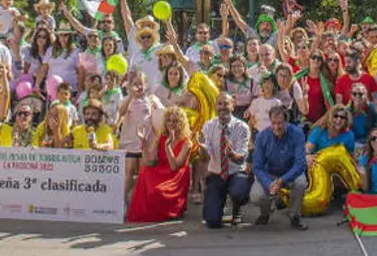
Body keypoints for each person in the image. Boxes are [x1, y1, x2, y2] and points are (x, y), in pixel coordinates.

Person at [126, 105, 193, 223]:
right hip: (161, 170)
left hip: (176, 176)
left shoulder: (187, 143)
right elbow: (150, 161)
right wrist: (144, 142)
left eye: (175, 121)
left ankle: (170, 211)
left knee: (157, 191)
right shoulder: (161, 136)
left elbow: (174, 166)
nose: (171, 124)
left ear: (181, 123)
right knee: (144, 171)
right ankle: (145, 212)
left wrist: (168, 146)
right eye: (169, 120)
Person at [251, 105, 308, 230]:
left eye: (280, 123)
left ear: (286, 122)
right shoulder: (262, 136)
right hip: (270, 173)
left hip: (291, 172)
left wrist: (282, 180)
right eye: (273, 123)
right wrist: (269, 183)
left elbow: (300, 164)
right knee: (255, 196)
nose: (276, 127)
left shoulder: (297, 134)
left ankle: (295, 216)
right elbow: (257, 167)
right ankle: (265, 212)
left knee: (300, 183)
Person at [200, 93, 252, 228]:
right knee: (212, 221)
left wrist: (231, 155)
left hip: (236, 173)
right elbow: (205, 157)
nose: (222, 107)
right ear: (216, 106)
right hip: (216, 174)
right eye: (220, 104)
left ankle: (236, 208)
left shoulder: (242, 127)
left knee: (239, 191)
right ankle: (217, 205)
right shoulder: (208, 126)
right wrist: (201, 148)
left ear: (233, 106)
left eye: (226, 104)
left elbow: (241, 160)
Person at [118, 71, 164, 202]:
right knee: (129, 172)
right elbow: (121, 112)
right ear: (130, 86)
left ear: (146, 84)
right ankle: (121, 202)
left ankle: (140, 202)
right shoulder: (126, 100)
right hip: (129, 143)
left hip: (147, 144)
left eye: (141, 84)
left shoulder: (152, 99)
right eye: (135, 84)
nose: (138, 87)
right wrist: (131, 96)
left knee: (143, 174)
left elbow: (161, 117)